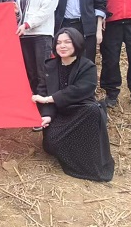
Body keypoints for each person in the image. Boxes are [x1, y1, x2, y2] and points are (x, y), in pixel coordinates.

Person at [33, 28, 114, 182]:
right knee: (51, 144)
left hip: (81, 111)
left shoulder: (87, 66)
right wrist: (47, 115)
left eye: (67, 42)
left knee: (93, 110)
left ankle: (87, 161)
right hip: (59, 113)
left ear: (76, 44)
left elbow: (81, 90)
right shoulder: (49, 66)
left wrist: (50, 99)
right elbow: (43, 91)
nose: (62, 46)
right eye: (59, 43)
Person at [16, 0, 59, 95]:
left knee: (43, 72)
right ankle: (32, 100)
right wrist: (16, 14)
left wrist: (28, 24)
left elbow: (47, 10)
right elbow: (21, 14)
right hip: (24, 36)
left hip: (42, 35)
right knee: (29, 72)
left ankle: (45, 102)